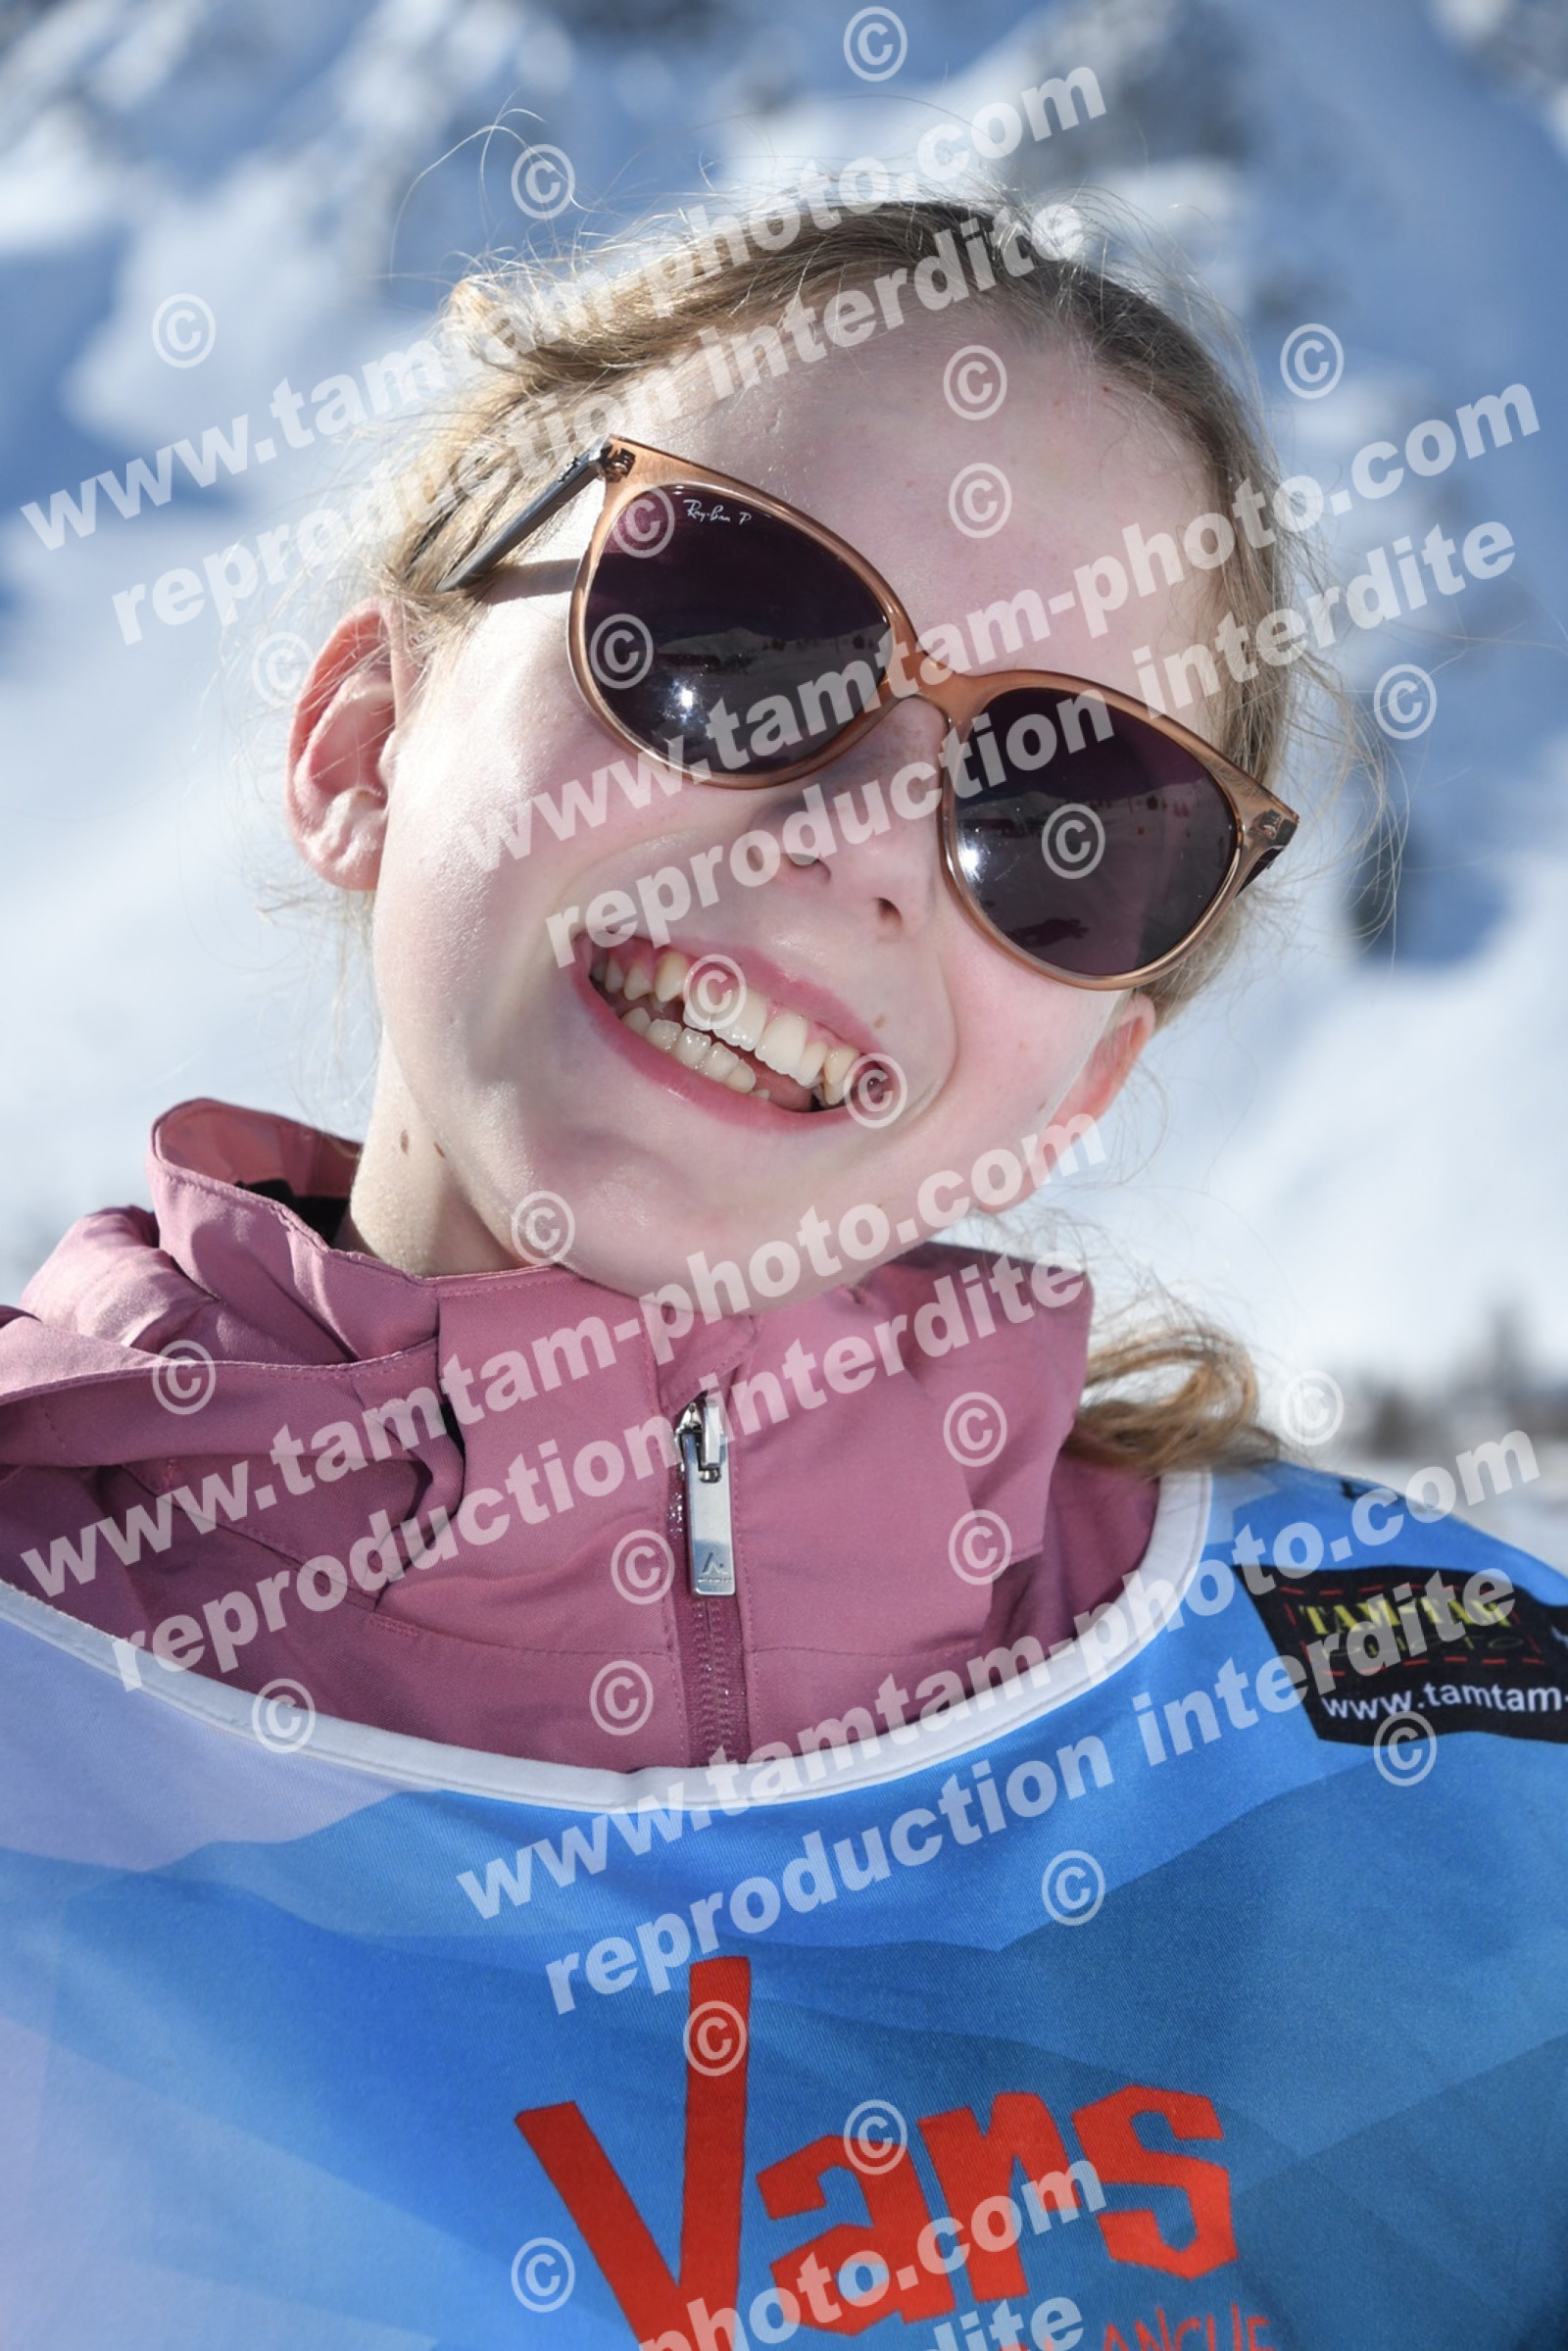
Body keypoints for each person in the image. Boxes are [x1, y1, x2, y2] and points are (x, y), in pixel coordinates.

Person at [0, 197, 1563, 2349]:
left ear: (1078, 1086)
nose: (852, 835)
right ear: (363, 742)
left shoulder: (1447, 1746)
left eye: (1070, 823)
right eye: (734, 632)